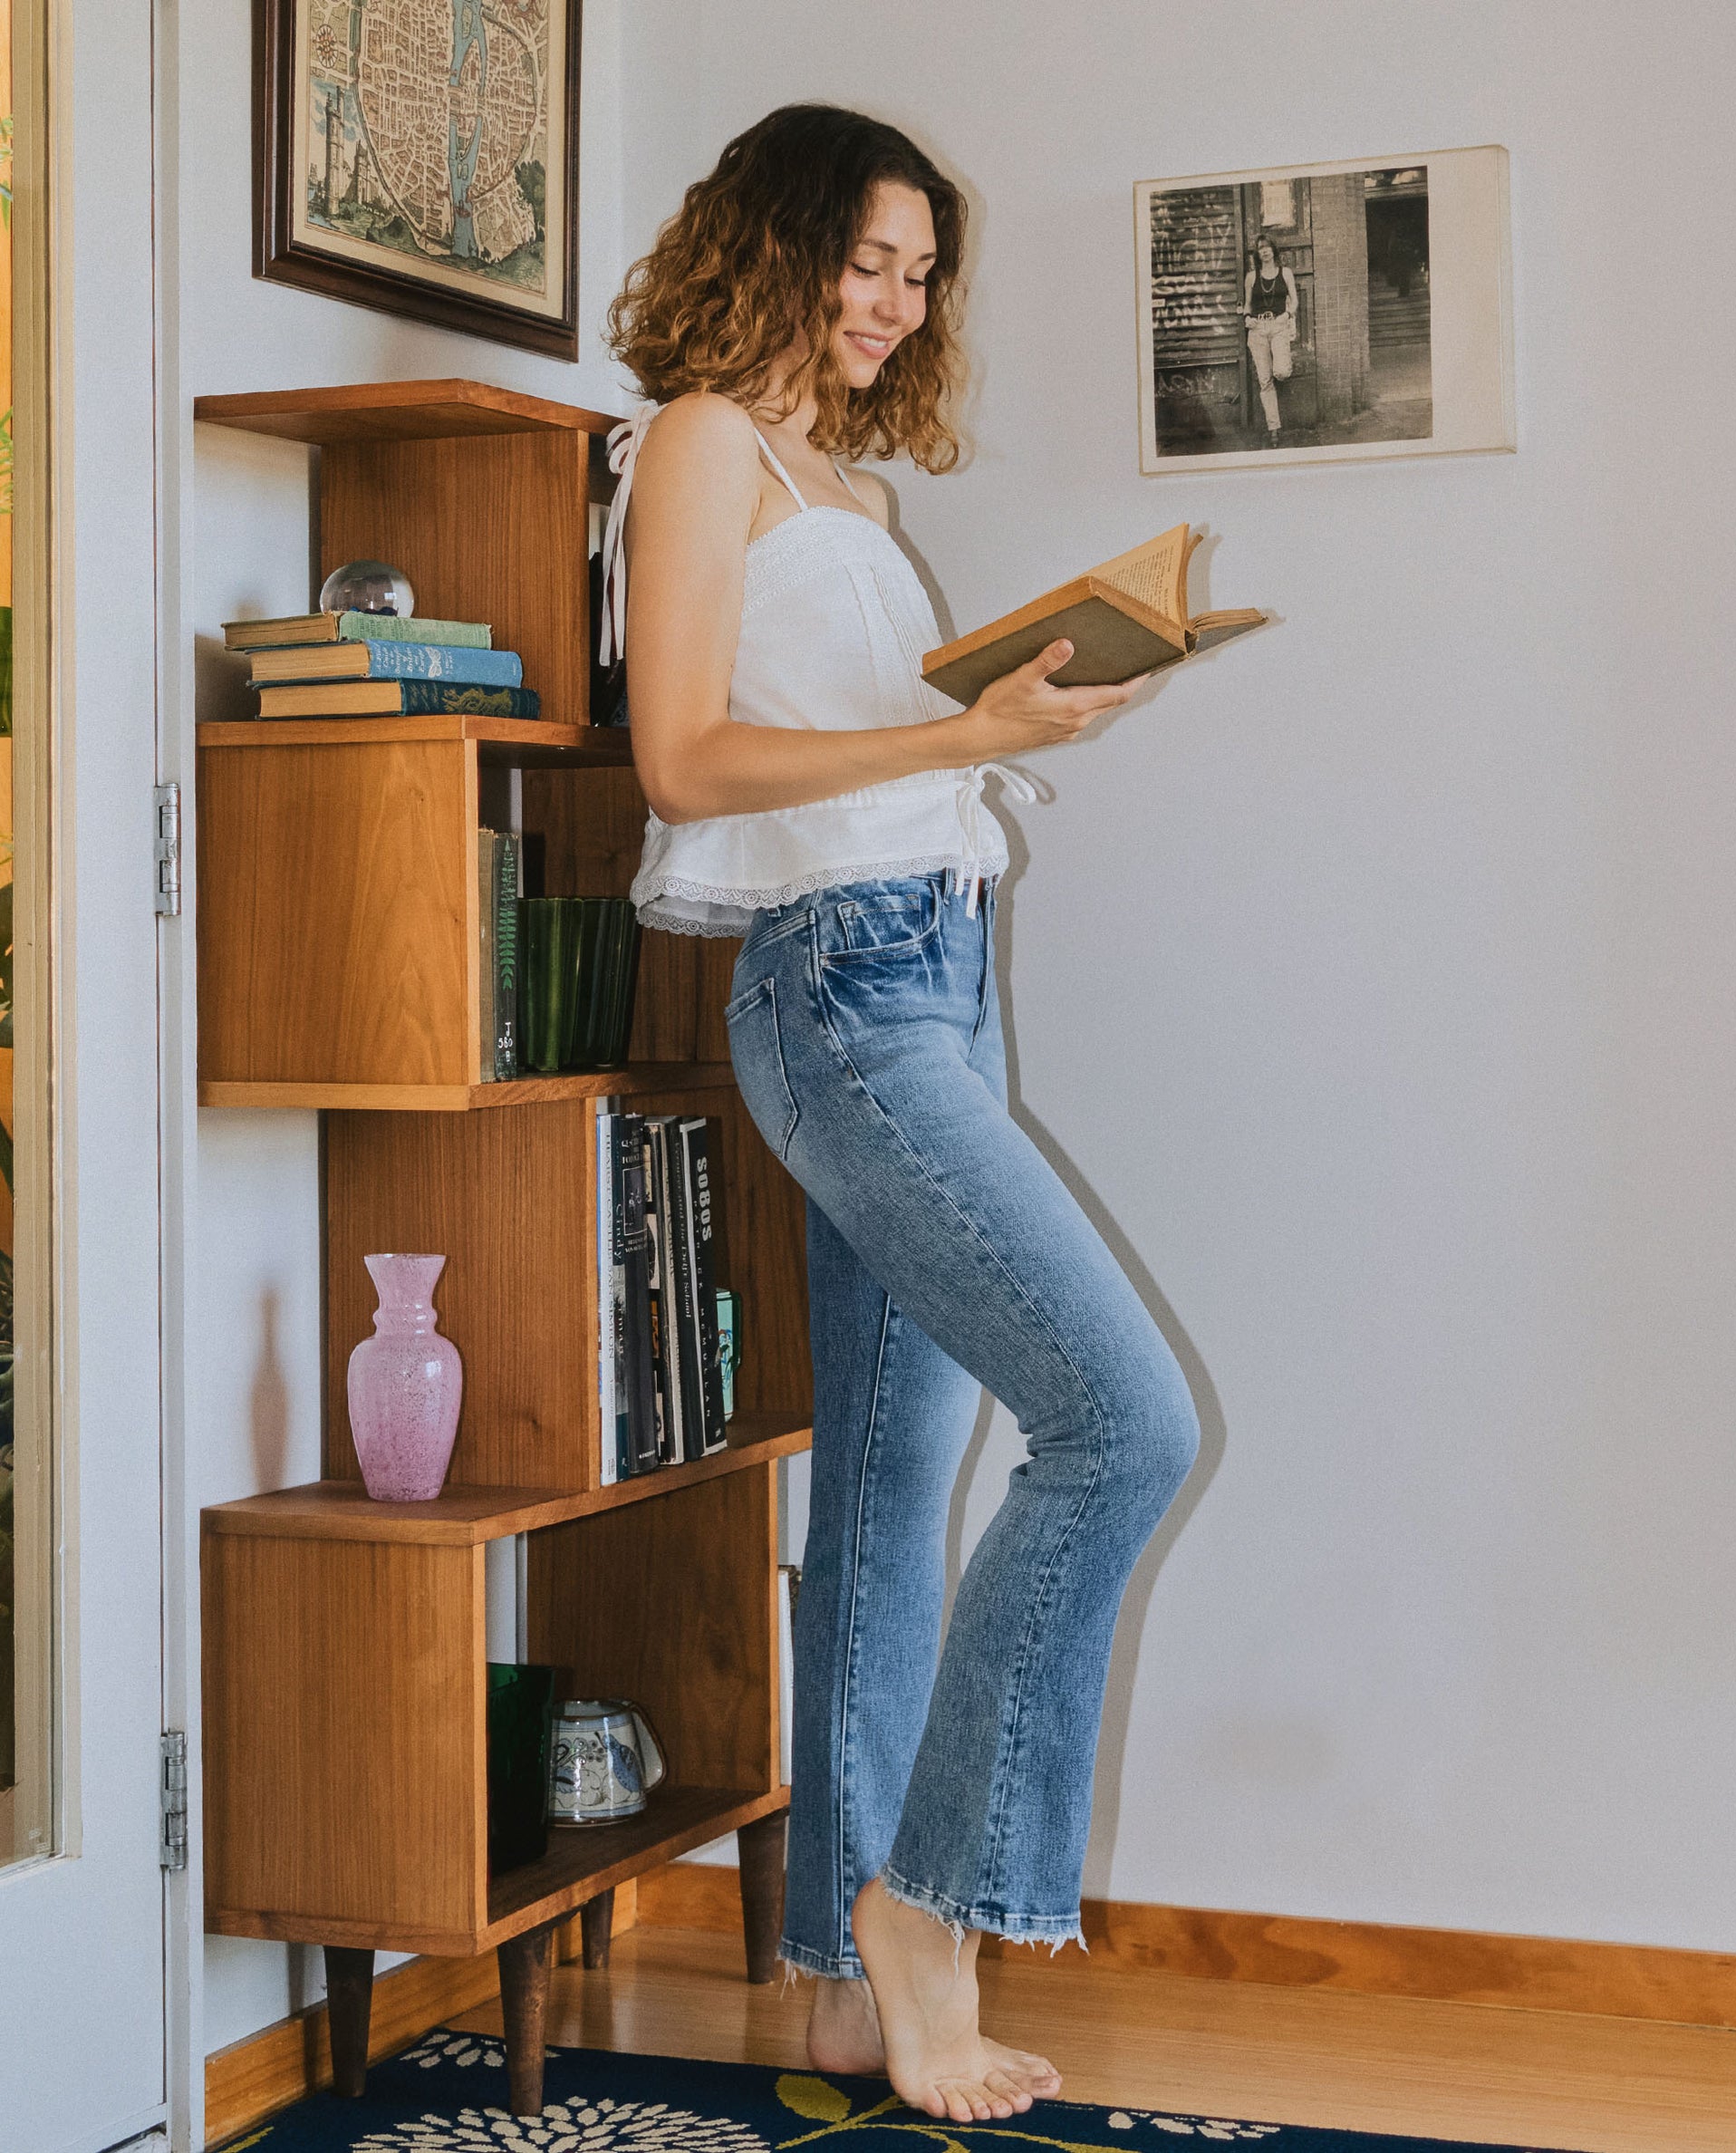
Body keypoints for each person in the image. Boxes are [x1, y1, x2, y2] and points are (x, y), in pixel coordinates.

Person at [602, 102, 1201, 2127]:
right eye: (864, 258)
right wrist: (968, 725)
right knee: (1124, 1422)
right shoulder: (694, 443)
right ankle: (930, 1911)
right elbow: (676, 757)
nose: (891, 300)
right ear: (769, 241)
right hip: (846, 994)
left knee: (876, 1507)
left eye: (918, 270)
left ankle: (846, 1985)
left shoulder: (831, 478)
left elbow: (858, 749)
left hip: (933, 975)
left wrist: (1001, 707)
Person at [1243, 232, 1299, 444]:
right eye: (1260, 248)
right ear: (1257, 254)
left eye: (1267, 247)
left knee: (1281, 372)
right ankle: (1274, 429)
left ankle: (1281, 363)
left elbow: (1294, 301)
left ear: (1273, 250)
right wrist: (1247, 317)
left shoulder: (1285, 273)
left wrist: (1287, 314)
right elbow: (1248, 303)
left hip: (1278, 326)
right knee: (1265, 381)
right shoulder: (1251, 276)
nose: (1264, 251)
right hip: (1257, 328)